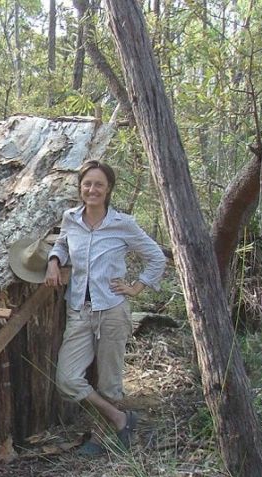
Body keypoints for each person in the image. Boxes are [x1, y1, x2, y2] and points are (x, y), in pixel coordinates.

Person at [45, 160, 166, 453]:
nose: (92, 189)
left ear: (108, 188)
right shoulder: (71, 218)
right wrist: (53, 261)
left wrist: (136, 287)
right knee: (68, 378)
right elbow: (62, 244)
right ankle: (119, 418)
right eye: (87, 184)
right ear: (80, 187)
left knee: (110, 381)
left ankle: (102, 438)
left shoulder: (122, 224)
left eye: (99, 184)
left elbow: (156, 257)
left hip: (112, 310)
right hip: (79, 310)